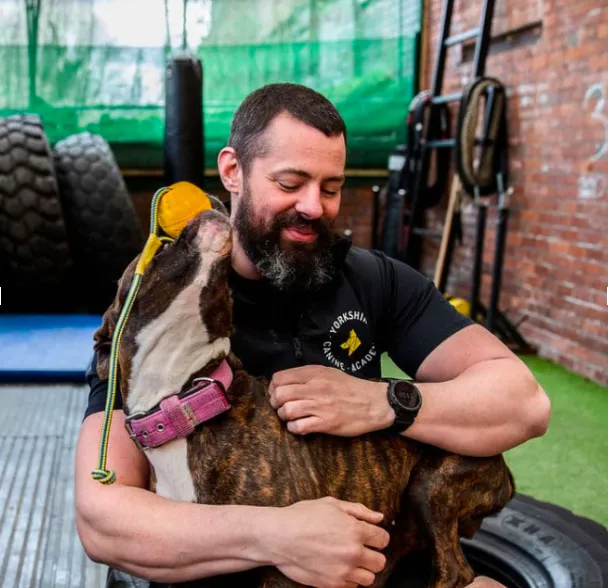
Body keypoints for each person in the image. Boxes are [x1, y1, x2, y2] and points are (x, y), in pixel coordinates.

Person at [74, 83, 551, 588]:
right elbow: (103, 517)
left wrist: (384, 402)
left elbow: (523, 402)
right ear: (233, 170)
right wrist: (278, 535)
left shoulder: (375, 279)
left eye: (330, 187)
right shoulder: (169, 301)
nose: (314, 207)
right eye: (291, 182)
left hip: (373, 561)